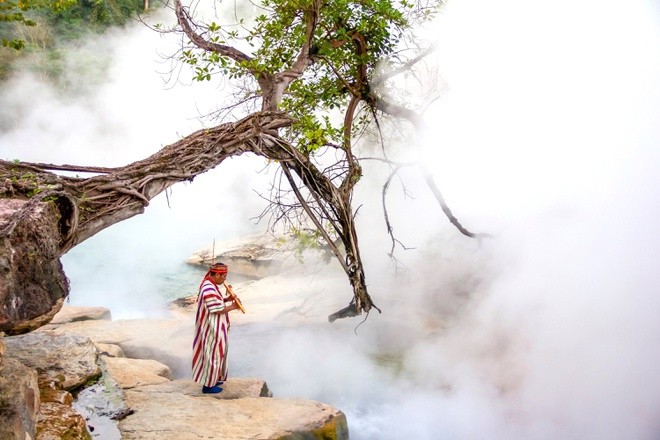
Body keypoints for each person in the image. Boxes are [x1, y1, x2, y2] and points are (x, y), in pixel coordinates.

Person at [192, 262, 241, 394]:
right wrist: (234, 306)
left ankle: (215, 378)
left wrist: (227, 299)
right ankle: (208, 385)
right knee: (213, 354)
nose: (225, 279)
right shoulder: (208, 288)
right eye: (224, 276)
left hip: (216, 326)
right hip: (211, 328)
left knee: (219, 353)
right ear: (217, 274)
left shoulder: (210, 285)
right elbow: (216, 309)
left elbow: (217, 302)